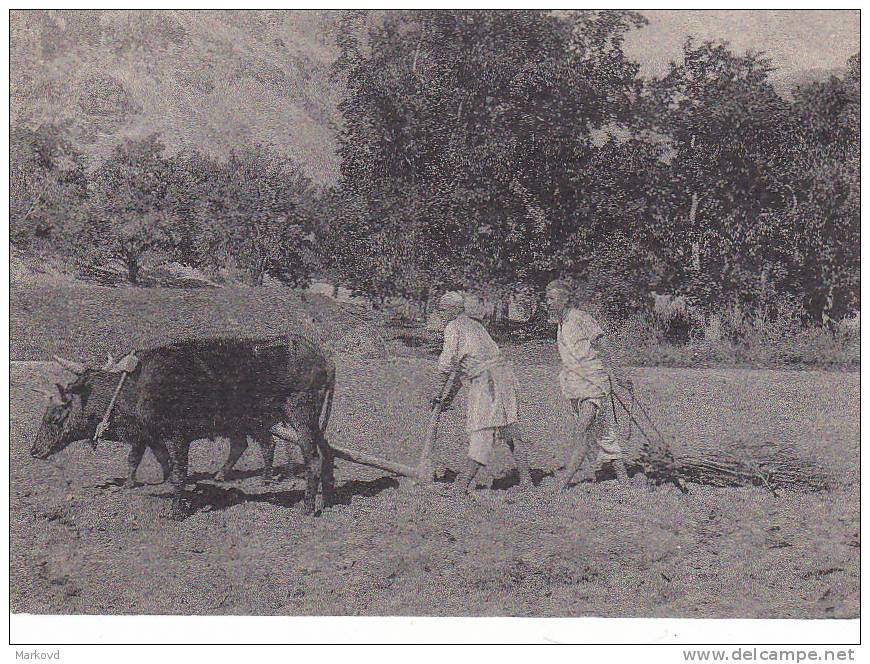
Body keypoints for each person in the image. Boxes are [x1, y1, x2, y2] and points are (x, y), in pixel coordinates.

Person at [429, 291, 533, 493]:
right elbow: (462, 369)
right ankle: (527, 480)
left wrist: (436, 394)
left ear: (452, 310)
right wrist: (446, 399)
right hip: (504, 378)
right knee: (510, 430)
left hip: (488, 383)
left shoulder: (453, 327)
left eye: (442, 310)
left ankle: (460, 486)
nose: (440, 315)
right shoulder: (475, 326)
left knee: (482, 432)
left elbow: (446, 366)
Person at [545, 279, 630, 490]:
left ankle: (564, 481)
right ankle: (624, 479)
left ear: (566, 299)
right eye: (546, 298)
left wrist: (618, 374)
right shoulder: (561, 324)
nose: (547, 303)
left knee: (581, 429)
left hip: (593, 383)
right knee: (602, 430)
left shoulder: (581, 318)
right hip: (575, 385)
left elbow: (603, 344)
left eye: (552, 298)